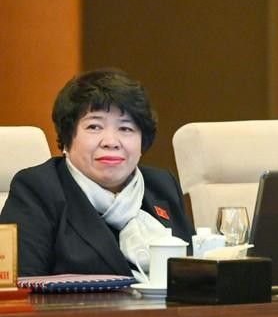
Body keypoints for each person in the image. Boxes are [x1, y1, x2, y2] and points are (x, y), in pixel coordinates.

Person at [0, 68, 194, 276]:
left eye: (126, 128)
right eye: (94, 127)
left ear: (141, 142)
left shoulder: (161, 185)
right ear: (68, 137)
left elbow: (196, 270)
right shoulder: (37, 189)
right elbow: (19, 287)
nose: (111, 142)